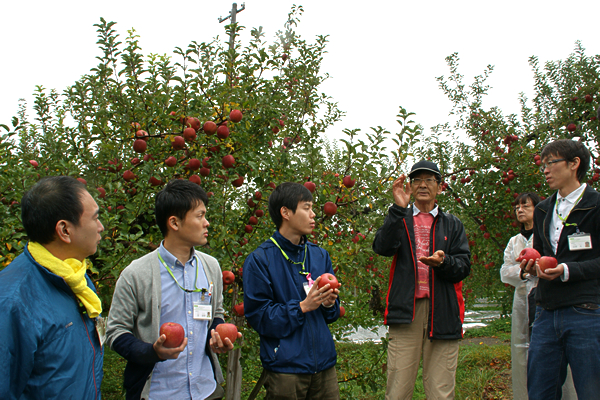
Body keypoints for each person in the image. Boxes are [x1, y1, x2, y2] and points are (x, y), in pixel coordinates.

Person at [106, 179, 239, 400]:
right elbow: (115, 332)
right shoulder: (136, 274)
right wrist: (152, 352)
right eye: (200, 216)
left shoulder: (211, 267)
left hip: (205, 390)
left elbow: (215, 313)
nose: (207, 223)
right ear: (174, 223)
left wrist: (216, 334)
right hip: (159, 393)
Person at [372, 160, 471, 400]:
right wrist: (398, 209)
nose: (423, 185)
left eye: (429, 180)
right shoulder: (401, 218)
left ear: (440, 186)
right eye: (417, 180)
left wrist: (444, 262)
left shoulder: (452, 223)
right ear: (410, 186)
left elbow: (464, 266)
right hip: (407, 312)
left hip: (443, 313)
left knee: (441, 391)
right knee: (398, 390)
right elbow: (382, 247)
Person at [0, 176, 105, 399]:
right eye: (95, 218)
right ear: (64, 230)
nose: (101, 227)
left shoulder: (75, 277)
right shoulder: (13, 302)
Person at [243, 182, 341, 400]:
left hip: (324, 367)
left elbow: (331, 315)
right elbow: (259, 317)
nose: (314, 214)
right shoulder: (260, 260)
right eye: (306, 208)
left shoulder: (319, 256)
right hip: (286, 369)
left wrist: (329, 303)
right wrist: (302, 307)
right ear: (285, 212)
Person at [523, 139, 600, 400]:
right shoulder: (544, 209)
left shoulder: (596, 205)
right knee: (540, 391)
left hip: (586, 311)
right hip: (546, 311)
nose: (545, 170)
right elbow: (541, 254)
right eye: (543, 164)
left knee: (591, 390)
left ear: (574, 164)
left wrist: (567, 270)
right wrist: (533, 267)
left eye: (551, 163)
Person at [501, 192, 577, 399]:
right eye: (517, 207)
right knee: (522, 352)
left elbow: (555, 265)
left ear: (540, 210)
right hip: (522, 301)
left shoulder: (548, 236)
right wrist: (525, 272)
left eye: (525, 206)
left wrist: (537, 270)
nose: (520, 210)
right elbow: (505, 273)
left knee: (555, 355)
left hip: (549, 300)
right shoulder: (514, 241)